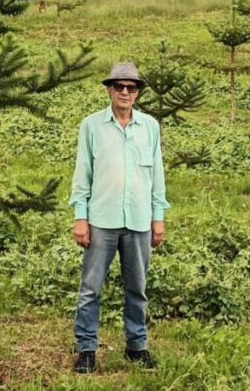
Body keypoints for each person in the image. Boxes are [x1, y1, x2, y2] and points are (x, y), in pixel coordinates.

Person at [69, 61, 169, 373]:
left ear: (138, 92)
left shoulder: (150, 127)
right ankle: (86, 350)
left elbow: (157, 176)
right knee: (90, 288)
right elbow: (82, 174)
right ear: (109, 89)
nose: (125, 92)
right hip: (101, 221)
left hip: (139, 221)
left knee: (136, 288)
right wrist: (80, 217)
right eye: (119, 86)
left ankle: (136, 347)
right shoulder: (92, 126)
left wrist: (158, 217)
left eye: (131, 87)